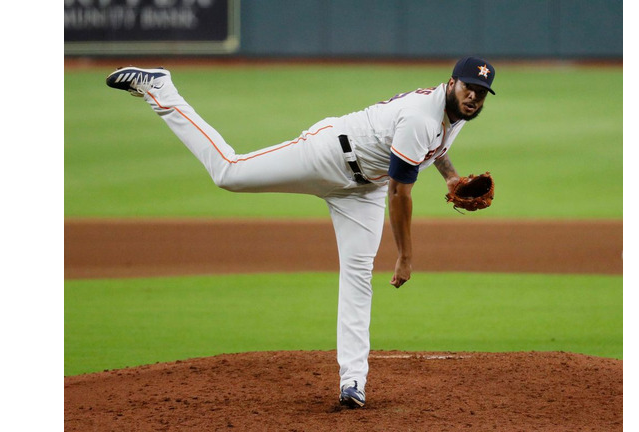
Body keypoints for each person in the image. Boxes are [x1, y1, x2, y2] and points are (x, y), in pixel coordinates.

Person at [106, 56, 496, 408]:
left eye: (480, 93)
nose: (474, 98)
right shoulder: (420, 116)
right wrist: (406, 257)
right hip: (327, 155)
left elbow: (435, 147)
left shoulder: (454, 112)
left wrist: (451, 178)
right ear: (451, 82)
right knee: (229, 173)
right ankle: (163, 91)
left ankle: (353, 381)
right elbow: (400, 192)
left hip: (364, 191)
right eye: (468, 88)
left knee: (358, 276)